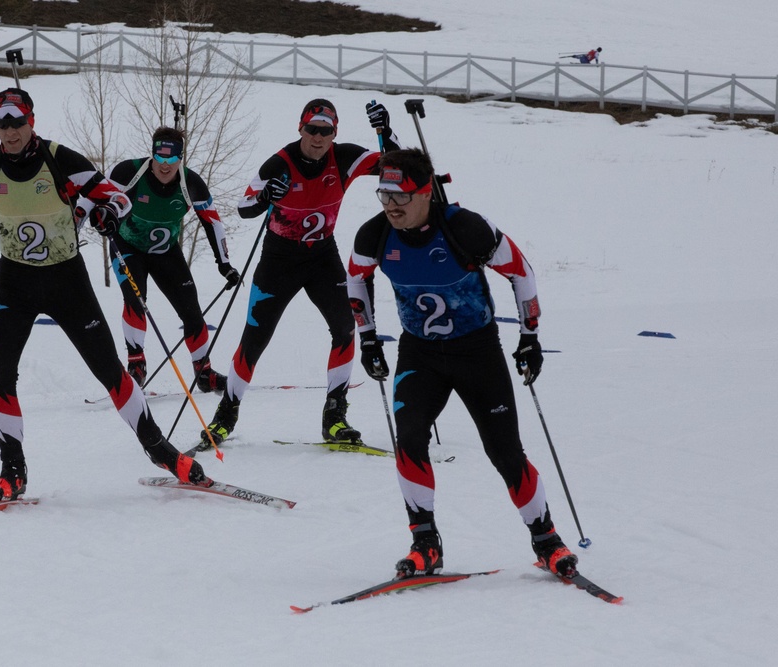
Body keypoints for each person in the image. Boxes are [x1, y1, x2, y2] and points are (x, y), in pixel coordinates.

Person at [0, 87, 207, 502]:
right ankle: (12, 471)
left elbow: (118, 198)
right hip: (15, 284)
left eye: (17, 121)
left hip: (67, 283)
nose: (11, 130)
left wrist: (108, 212)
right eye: (2, 123)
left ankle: (161, 450)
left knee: (110, 372)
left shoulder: (61, 159)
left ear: (31, 121)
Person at [345, 148, 579, 578]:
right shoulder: (374, 235)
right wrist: (368, 338)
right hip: (420, 354)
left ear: (426, 193)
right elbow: (356, 279)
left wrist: (530, 337)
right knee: (409, 437)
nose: (392, 205)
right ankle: (425, 543)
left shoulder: (466, 228)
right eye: (384, 195)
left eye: (401, 196)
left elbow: (521, 272)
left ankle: (547, 540)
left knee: (505, 452)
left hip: (477, 353)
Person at [198, 98, 400, 448]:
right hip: (279, 260)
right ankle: (225, 416)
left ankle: (335, 417)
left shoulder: (345, 157)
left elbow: (397, 168)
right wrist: (266, 198)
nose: (319, 137)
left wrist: (385, 128)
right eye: (312, 129)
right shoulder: (280, 162)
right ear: (301, 128)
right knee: (255, 339)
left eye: (327, 131)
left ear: (335, 133)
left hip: (322, 256)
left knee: (344, 326)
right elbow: (244, 207)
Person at [103, 126, 239, 393]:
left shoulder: (191, 183)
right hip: (128, 246)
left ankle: (203, 372)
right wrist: (103, 217)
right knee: (135, 299)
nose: (165, 165)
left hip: (166, 251)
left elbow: (213, 223)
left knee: (191, 308)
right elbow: (99, 199)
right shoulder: (128, 172)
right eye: (159, 158)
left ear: (181, 157)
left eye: (172, 159)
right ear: (152, 153)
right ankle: (136, 365)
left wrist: (224, 264)